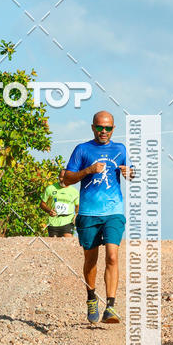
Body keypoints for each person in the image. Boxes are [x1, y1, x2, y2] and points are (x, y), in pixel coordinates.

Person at [63, 111, 134, 324]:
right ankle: (91, 296)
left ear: (114, 129)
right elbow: (67, 179)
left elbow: (132, 172)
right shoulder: (82, 149)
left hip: (113, 211)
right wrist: (88, 170)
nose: (104, 132)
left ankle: (110, 306)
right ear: (93, 127)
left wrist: (129, 173)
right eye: (100, 127)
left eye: (108, 128)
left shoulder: (120, 149)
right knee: (91, 260)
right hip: (88, 213)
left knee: (112, 255)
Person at [40, 170, 79, 236]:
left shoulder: (74, 191)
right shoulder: (50, 189)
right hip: (53, 222)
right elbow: (42, 204)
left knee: (67, 241)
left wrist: (76, 214)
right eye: (61, 177)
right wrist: (49, 211)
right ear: (58, 177)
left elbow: (77, 205)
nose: (63, 179)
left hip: (68, 221)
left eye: (65, 178)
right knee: (55, 244)